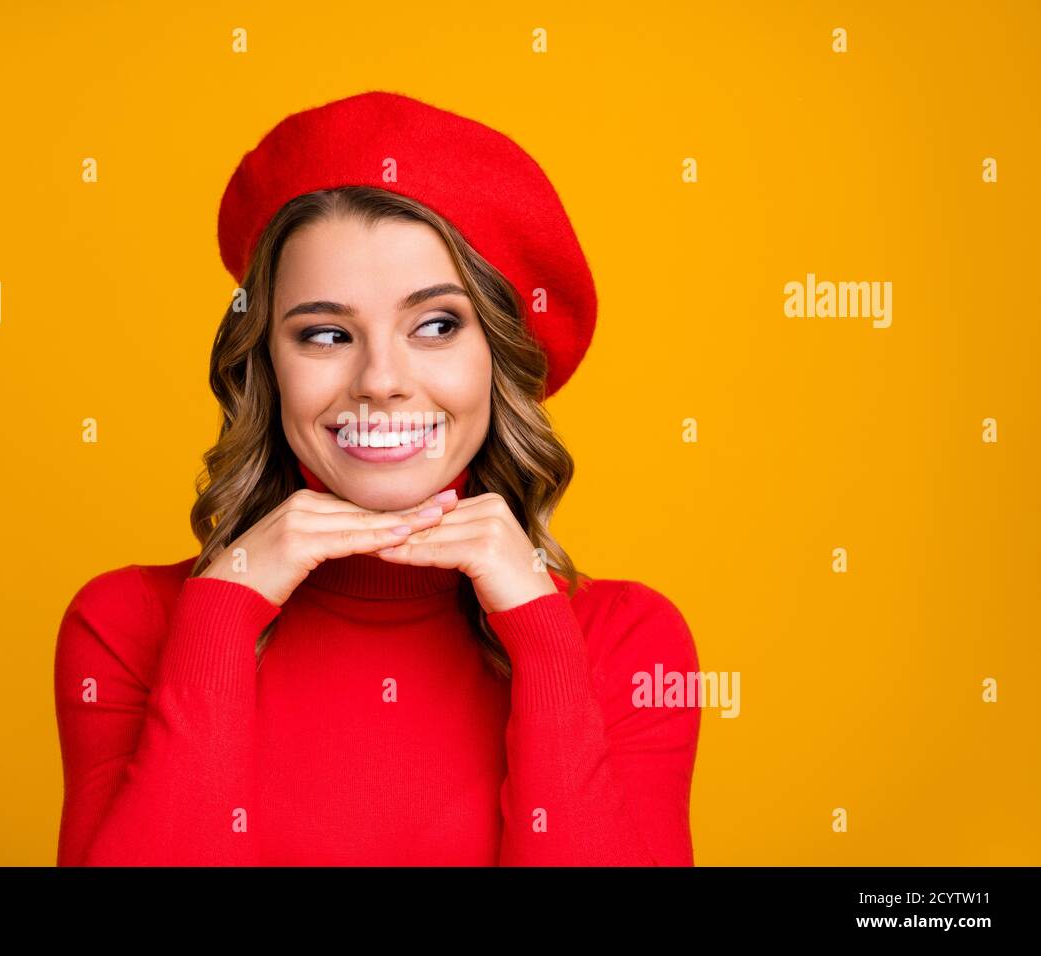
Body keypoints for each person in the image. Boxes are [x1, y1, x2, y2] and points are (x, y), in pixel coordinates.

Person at [54, 91, 701, 866]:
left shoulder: (630, 643)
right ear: (266, 365)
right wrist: (221, 617)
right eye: (326, 334)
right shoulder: (126, 627)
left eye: (436, 325)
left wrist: (543, 639)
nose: (381, 381)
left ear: (497, 356)